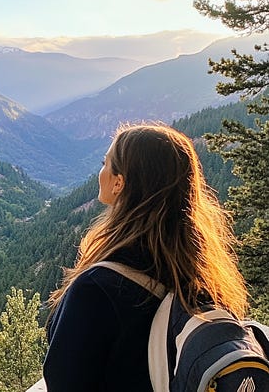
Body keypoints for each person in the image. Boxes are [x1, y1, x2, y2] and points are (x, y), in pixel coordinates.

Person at [43, 122, 248, 391]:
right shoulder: (201, 276)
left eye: (105, 164)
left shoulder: (97, 288)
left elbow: (63, 381)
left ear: (119, 182)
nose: (100, 172)